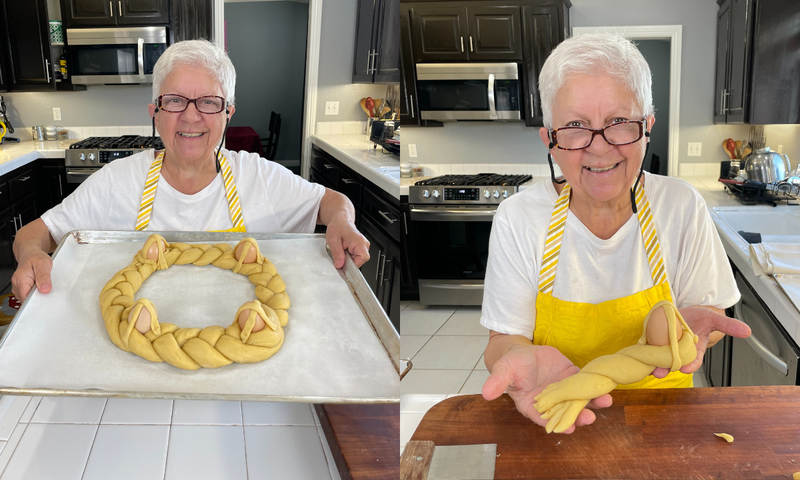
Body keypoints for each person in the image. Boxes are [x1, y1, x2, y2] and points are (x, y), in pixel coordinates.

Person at [479, 33, 751, 433]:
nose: (600, 148)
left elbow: (708, 315)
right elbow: (504, 340)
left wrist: (691, 332)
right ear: (550, 141)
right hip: (558, 410)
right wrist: (516, 358)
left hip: (665, 415)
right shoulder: (518, 218)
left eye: (619, 123)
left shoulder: (681, 206)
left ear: (647, 127)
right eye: (575, 126)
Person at [11, 39, 369, 301]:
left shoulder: (259, 176)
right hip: (132, 347)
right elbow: (34, 233)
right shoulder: (116, 181)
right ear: (156, 111)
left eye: (209, 102)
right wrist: (31, 254)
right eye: (176, 100)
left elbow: (333, 202)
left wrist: (342, 222)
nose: (191, 115)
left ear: (228, 113)